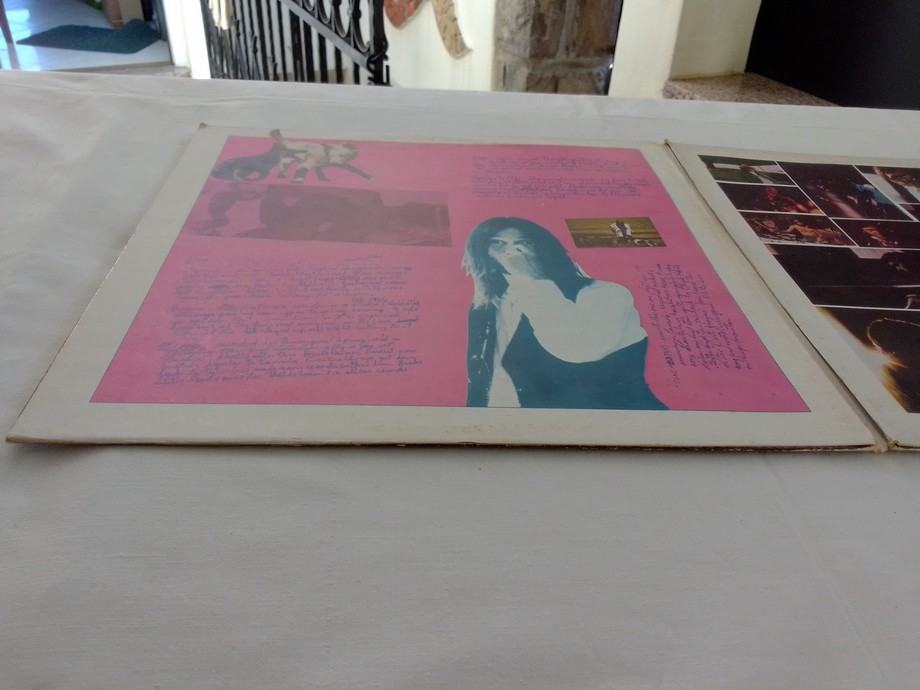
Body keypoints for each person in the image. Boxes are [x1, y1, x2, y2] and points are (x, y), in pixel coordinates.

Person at [462, 217, 667, 410]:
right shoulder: (486, 306)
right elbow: (488, 380)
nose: (512, 252)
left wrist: (534, 279)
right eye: (497, 243)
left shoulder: (604, 293)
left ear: (544, 248)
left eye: (523, 242)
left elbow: (581, 348)